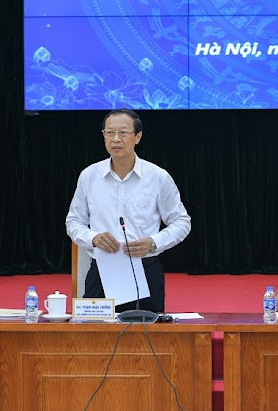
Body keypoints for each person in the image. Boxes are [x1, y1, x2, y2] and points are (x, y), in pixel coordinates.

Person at [65, 109, 191, 314]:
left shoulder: (157, 177)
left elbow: (181, 221)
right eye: (109, 133)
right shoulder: (89, 176)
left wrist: (153, 242)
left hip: (145, 268)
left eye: (123, 133)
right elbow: (73, 221)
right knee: (96, 332)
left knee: (146, 330)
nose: (115, 139)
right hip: (102, 271)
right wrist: (93, 237)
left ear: (137, 137)